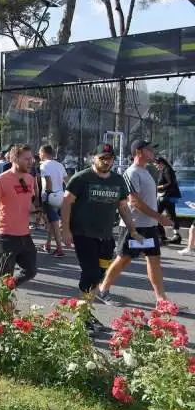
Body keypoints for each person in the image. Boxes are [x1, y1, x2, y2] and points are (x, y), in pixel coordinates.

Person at [61, 143, 140, 333]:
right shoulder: (82, 178)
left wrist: (133, 229)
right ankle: (81, 317)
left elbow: (123, 207)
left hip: (105, 236)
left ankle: (86, 313)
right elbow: (66, 202)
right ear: (93, 158)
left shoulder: (118, 180)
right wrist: (65, 230)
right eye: (102, 158)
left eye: (109, 158)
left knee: (98, 275)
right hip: (83, 234)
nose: (106, 161)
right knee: (89, 273)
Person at [96, 140, 174, 307]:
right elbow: (135, 202)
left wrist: (155, 219)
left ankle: (162, 300)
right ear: (138, 152)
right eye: (149, 149)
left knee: (154, 259)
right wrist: (160, 217)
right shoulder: (132, 173)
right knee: (123, 259)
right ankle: (102, 289)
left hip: (149, 226)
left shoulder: (145, 171)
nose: (152, 151)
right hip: (134, 227)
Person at [0, 145, 39, 286]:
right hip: (5, 235)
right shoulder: (1, 180)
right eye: (26, 159)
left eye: (31, 159)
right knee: (5, 275)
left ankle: (5, 291)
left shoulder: (29, 179)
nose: (30, 162)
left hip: (24, 234)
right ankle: (2, 303)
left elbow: (27, 203)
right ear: (14, 159)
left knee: (31, 271)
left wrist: (38, 212)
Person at [39, 144, 68, 257]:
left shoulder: (43, 166)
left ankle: (59, 248)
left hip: (50, 196)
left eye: (40, 153)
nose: (39, 155)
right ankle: (48, 244)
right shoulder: (60, 165)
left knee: (54, 221)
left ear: (44, 153)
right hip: (60, 195)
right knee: (53, 221)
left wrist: (46, 194)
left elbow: (48, 182)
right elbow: (67, 180)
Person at [154, 157, 182, 244]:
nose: (156, 167)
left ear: (161, 163)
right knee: (171, 215)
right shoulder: (166, 169)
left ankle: (162, 235)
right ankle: (176, 235)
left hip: (166, 196)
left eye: (157, 164)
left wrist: (159, 187)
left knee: (155, 214)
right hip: (168, 196)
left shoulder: (166, 170)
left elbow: (170, 183)